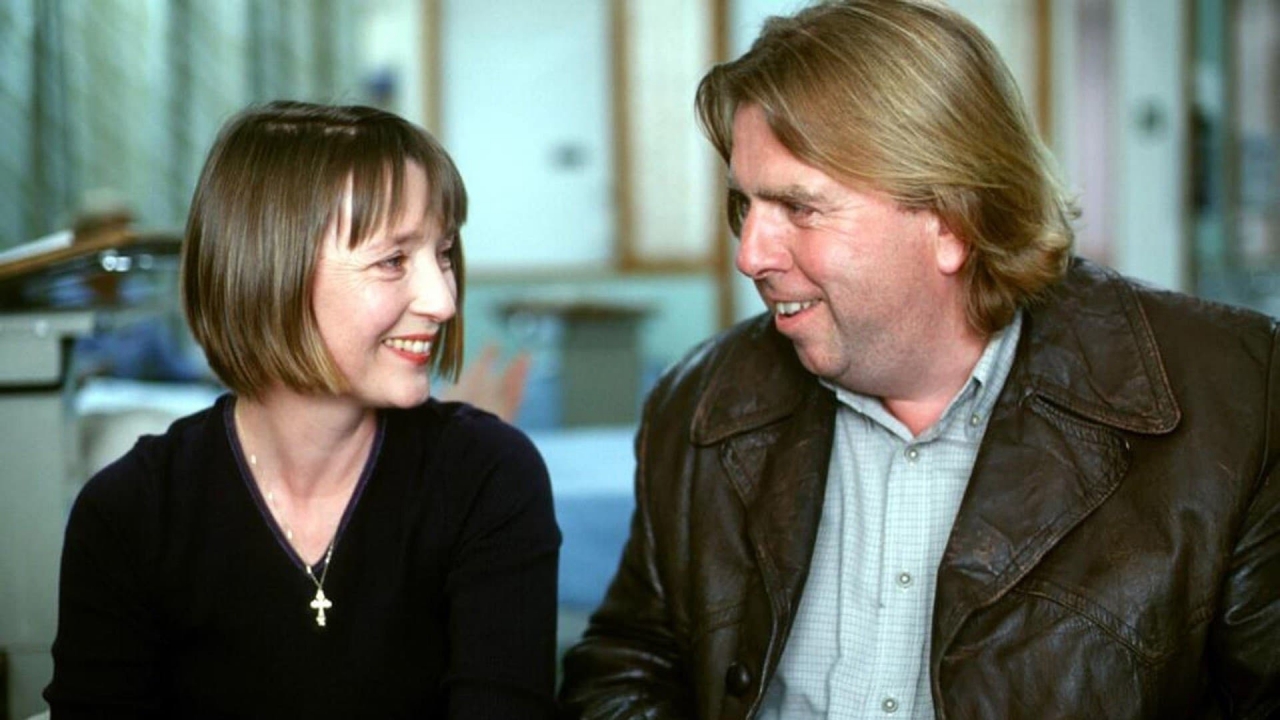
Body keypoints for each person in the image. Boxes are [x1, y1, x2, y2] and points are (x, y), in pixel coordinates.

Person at [558, 2, 1279, 718]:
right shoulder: (698, 402)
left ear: (953, 222)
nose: (750, 255)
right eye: (746, 206)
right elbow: (629, 668)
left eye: (799, 208)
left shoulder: (1239, 399)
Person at [45, 101, 561, 718]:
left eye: (444, 253)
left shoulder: (488, 476)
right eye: (393, 260)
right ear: (272, 273)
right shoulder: (129, 514)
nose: (444, 300)